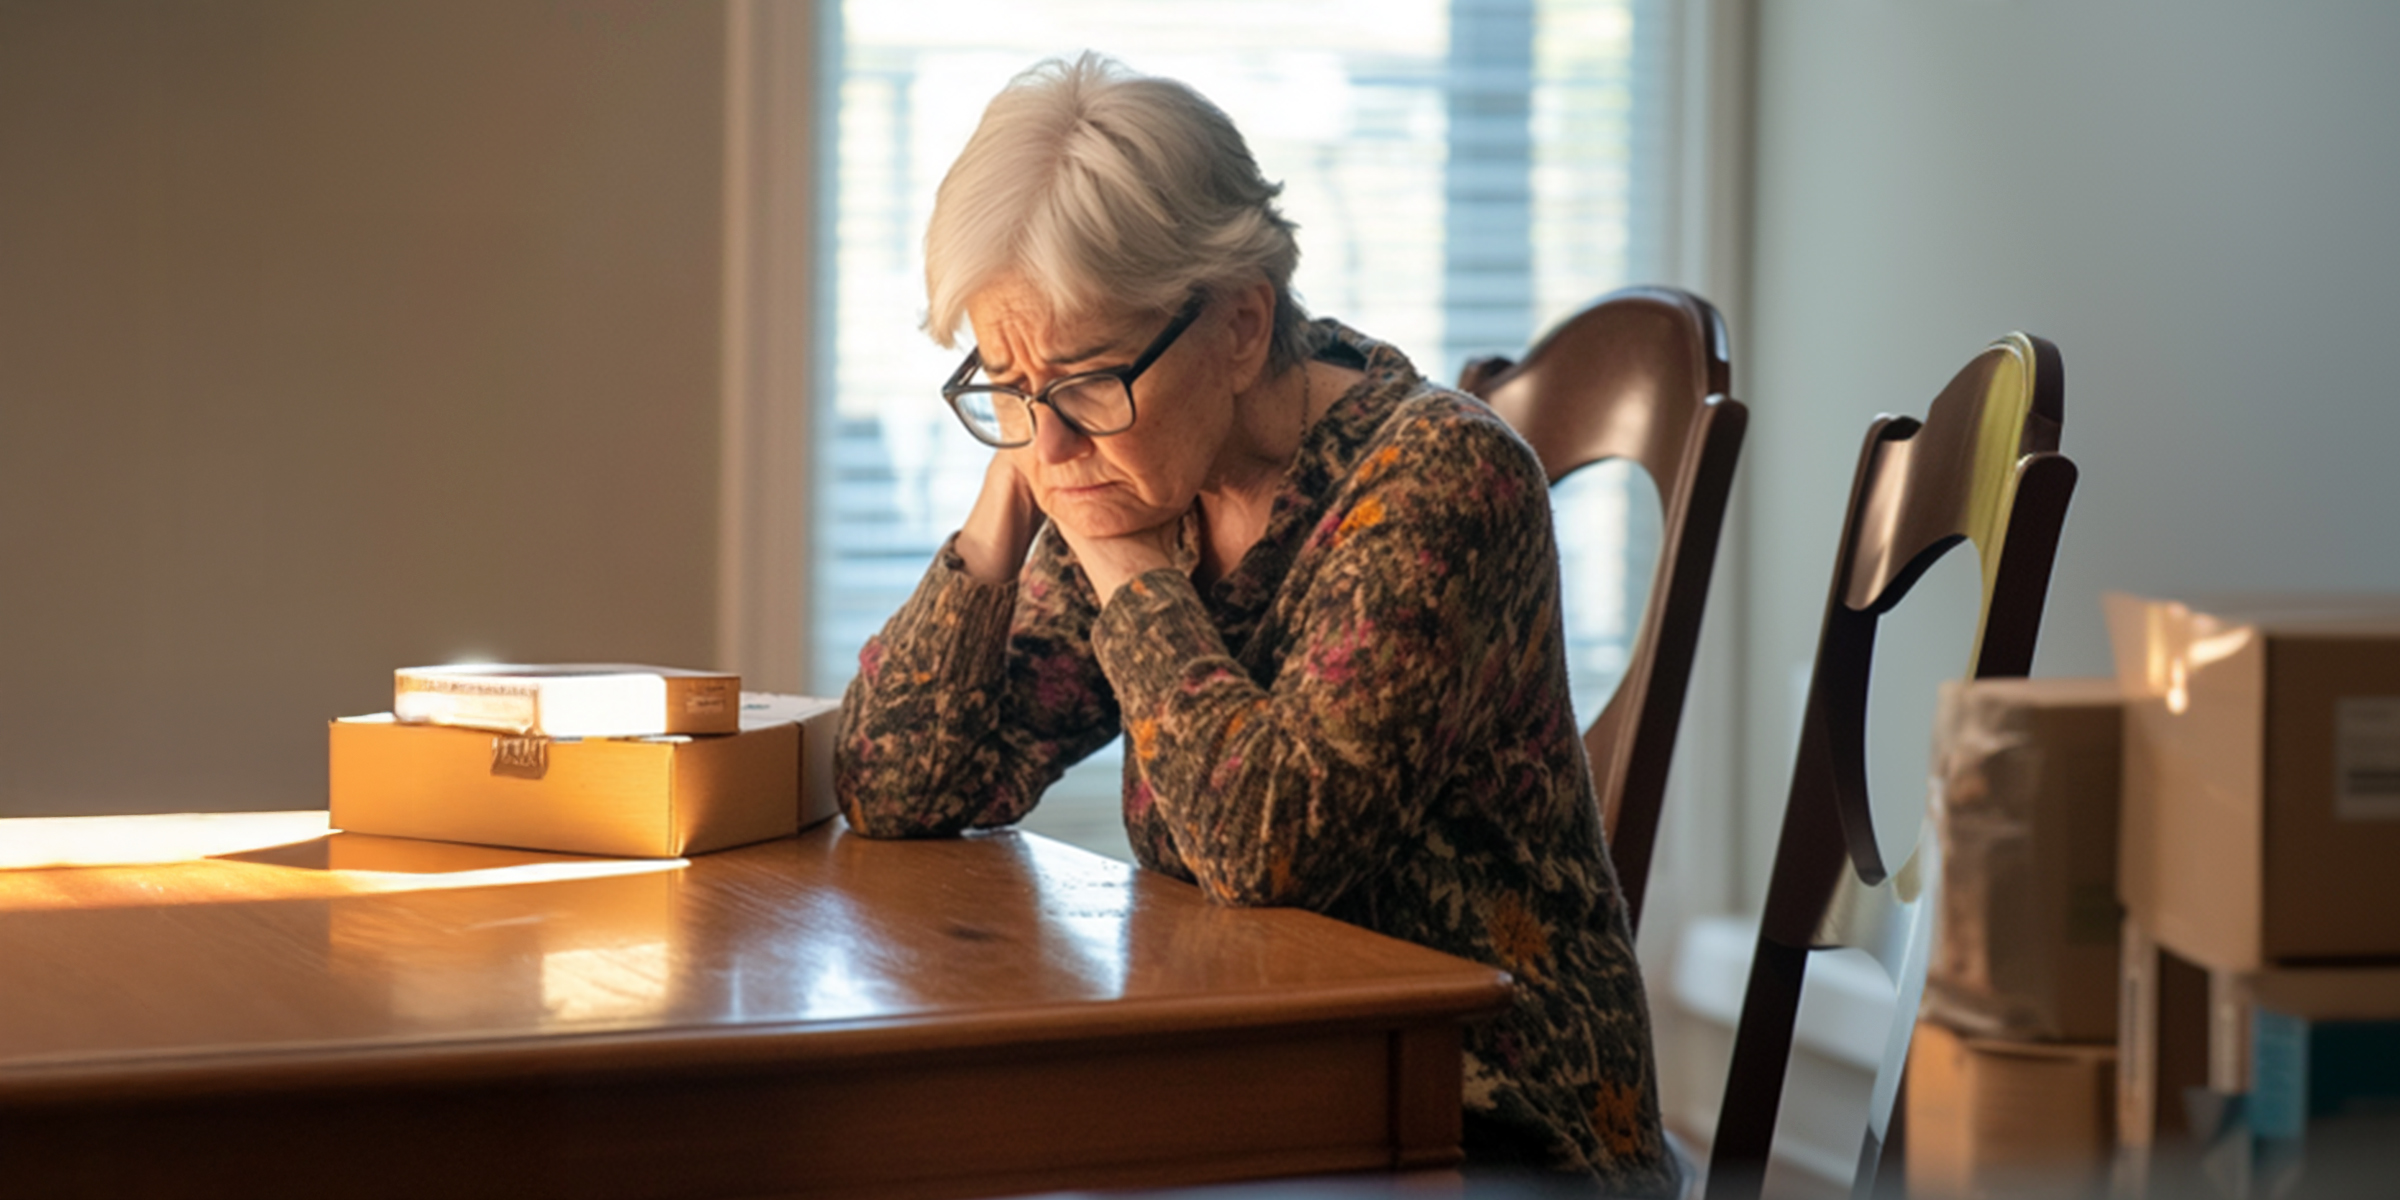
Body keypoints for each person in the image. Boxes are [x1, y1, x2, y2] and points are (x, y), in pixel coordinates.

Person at [835, 52, 1673, 1193]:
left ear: (1238, 324)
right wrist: (1009, 500)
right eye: (1005, 386)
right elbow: (899, 783)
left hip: (1490, 1124)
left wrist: (1124, 561)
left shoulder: (1437, 480)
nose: (1053, 444)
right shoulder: (1135, 473)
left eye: (1081, 380)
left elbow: (1268, 846)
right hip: (1264, 1084)